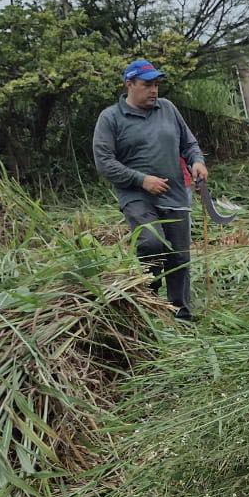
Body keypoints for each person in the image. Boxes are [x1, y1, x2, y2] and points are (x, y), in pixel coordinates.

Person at [93, 58, 207, 320]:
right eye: (147, 85)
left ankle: (181, 316)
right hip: (137, 197)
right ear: (129, 84)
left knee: (180, 258)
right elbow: (104, 163)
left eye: (156, 84)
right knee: (152, 243)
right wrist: (141, 180)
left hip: (175, 195)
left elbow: (189, 144)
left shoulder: (167, 108)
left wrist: (197, 161)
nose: (154, 90)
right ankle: (150, 299)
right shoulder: (111, 118)